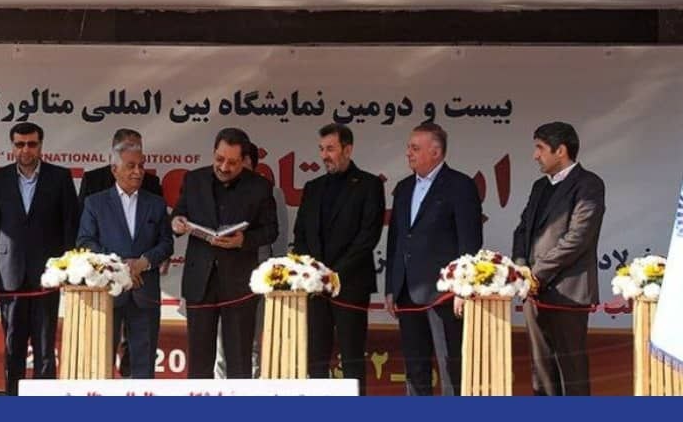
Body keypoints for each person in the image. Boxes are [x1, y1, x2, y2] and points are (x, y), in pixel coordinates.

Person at [385, 121, 482, 396]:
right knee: (415, 369)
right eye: (409, 147)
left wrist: (463, 288)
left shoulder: (460, 186)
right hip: (407, 292)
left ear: (436, 152)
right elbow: (396, 239)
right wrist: (391, 287)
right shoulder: (404, 188)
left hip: (444, 295)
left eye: (415, 148)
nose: (408, 153)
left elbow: (470, 242)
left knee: (451, 367)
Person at [172, 127, 278, 378]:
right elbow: (178, 213)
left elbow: (271, 230)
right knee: (199, 361)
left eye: (232, 162)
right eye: (219, 159)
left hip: (239, 283)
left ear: (243, 160)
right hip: (200, 281)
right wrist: (176, 223)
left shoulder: (260, 186)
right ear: (213, 153)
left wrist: (243, 240)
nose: (224, 167)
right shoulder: (194, 180)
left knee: (239, 360)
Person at [0, 122, 78, 395]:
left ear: (40, 146)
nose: (25, 150)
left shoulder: (60, 177)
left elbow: (70, 226)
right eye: (20, 144)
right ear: (12, 146)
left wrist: (68, 271)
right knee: (13, 347)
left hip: (47, 276)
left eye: (31, 144)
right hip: (8, 275)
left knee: (45, 347)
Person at [512, 121, 606, 396]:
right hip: (534, 292)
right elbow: (522, 229)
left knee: (571, 369)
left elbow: (578, 237)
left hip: (568, 292)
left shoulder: (589, 184)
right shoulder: (539, 187)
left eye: (540, 148)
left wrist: (536, 273)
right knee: (541, 370)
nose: (535, 155)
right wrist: (521, 268)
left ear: (561, 150)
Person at [292, 124, 385, 392]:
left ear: (348, 149)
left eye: (330, 149)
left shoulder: (369, 185)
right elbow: (301, 234)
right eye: (321, 149)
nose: (325, 155)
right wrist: (311, 272)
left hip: (351, 285)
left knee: (352, 357)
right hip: (315, 288)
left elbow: (368, 237)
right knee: (315, 357)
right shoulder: (313, 187)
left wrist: (333, 274)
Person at [76, 140, 173, 378]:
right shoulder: (95, 203)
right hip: (107, 292)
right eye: (131, 166)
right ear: (114, 169)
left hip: (144, 290)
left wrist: (143, 262)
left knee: (144, 363)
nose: (138, 171)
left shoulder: (156, 203)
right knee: (100, 362)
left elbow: (166, 243)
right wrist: (120, 267)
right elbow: (85, 242)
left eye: (141, 166)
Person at [78, 127, 164, 207]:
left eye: (138, 148)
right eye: (129, 147)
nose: (133, 151)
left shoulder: (152, 183)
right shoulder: (92, 180)